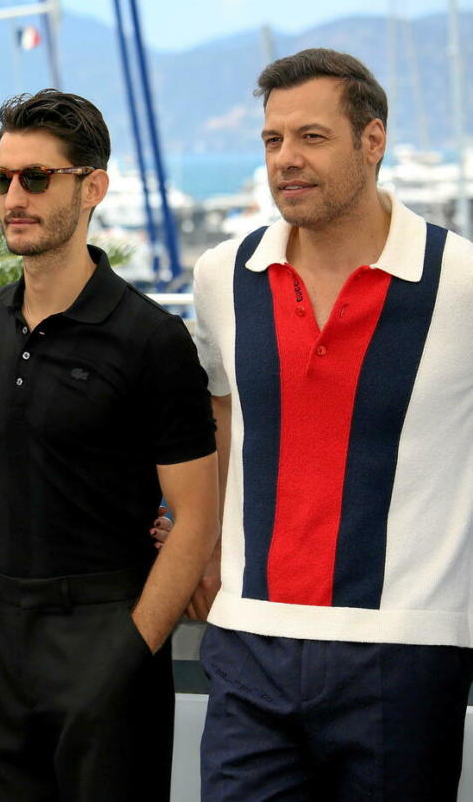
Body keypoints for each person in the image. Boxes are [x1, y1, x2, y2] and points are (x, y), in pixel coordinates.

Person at [191, 48, 473, 800]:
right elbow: (218, 408)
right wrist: (209, 544)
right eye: (273, 140)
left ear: (372, 141)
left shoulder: (465, 284)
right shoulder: (223, 275)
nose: (287, 159)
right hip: (249, 639)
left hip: (406, 652)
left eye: (311, 137)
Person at [0, 90, 221, 802]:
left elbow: (194, 517)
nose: (13, 197)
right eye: (2, 179)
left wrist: (127, 651)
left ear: (93, 187)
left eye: (36, 177)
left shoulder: (150, 338)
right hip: (7, 635)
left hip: (108, 632)